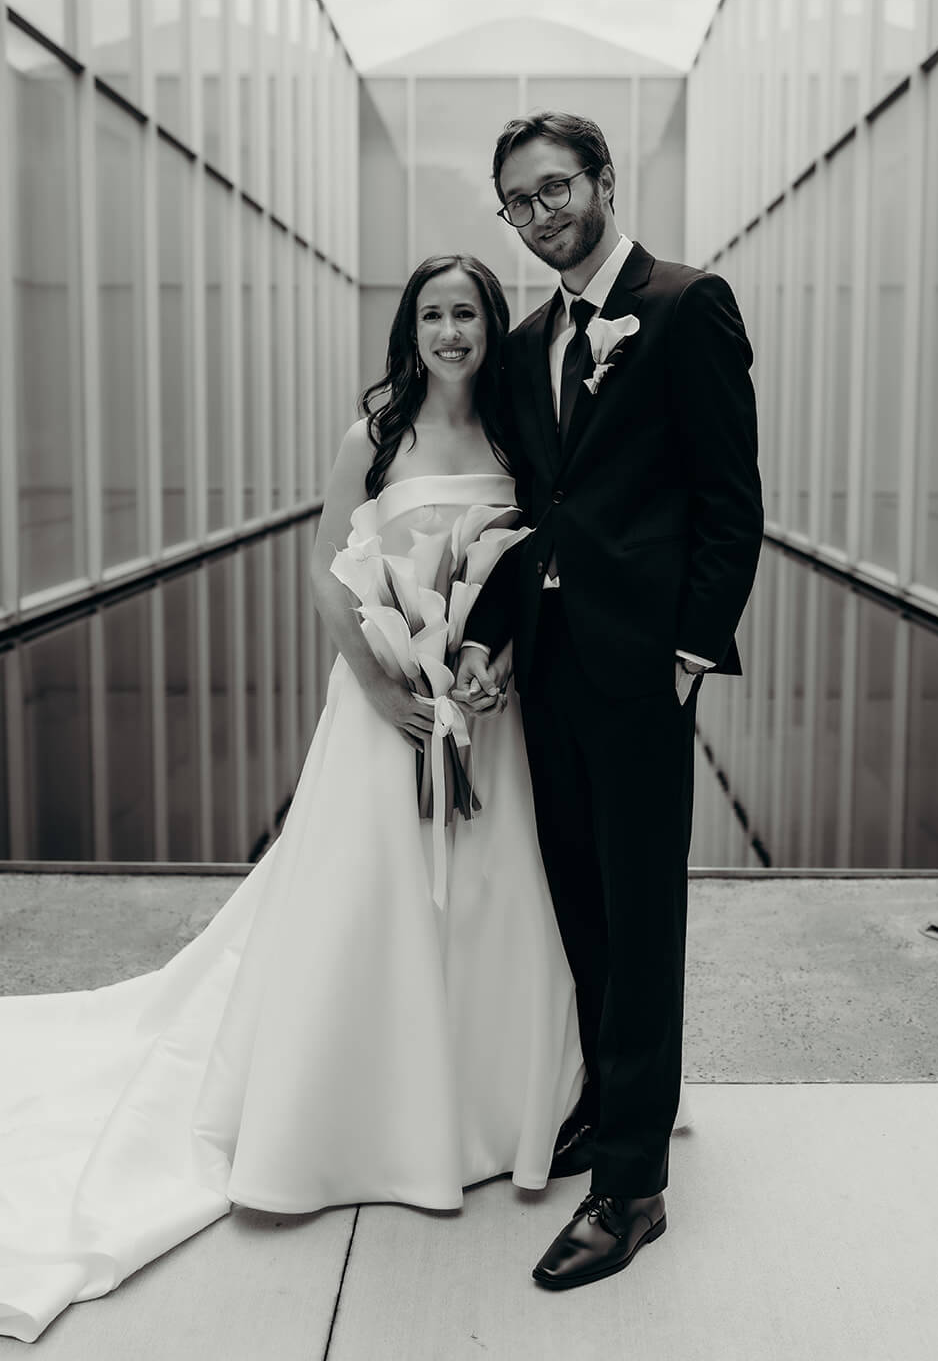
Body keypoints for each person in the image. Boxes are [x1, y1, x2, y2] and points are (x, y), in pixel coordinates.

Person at [0, 254, 583, 1344]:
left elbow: (522, 569)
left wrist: (485, 659)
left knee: (494, 900)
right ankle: (351, 1116)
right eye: (431, 314)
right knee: (371, 903)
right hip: (383, 707)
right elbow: (326, 567)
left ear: (489, 326)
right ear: (409, 331)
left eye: (466, 312)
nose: (450, 330)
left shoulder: (519, 435)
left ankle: (494, 1112)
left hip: (474, 711)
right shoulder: (374, 436)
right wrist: (378, 684)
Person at [457, 111, 763, 1290]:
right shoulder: (530, 338)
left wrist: (690, 649)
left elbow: (728, 498)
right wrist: (488, 640)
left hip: (640, 671)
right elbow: (533, 510)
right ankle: (608, 1102)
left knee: (641, 921)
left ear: (600, 182)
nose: (539, 218)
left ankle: (632, 1186)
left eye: (553, 191)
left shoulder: (687, 305)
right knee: (581, 905)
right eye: (517, 204)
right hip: (547, 670)